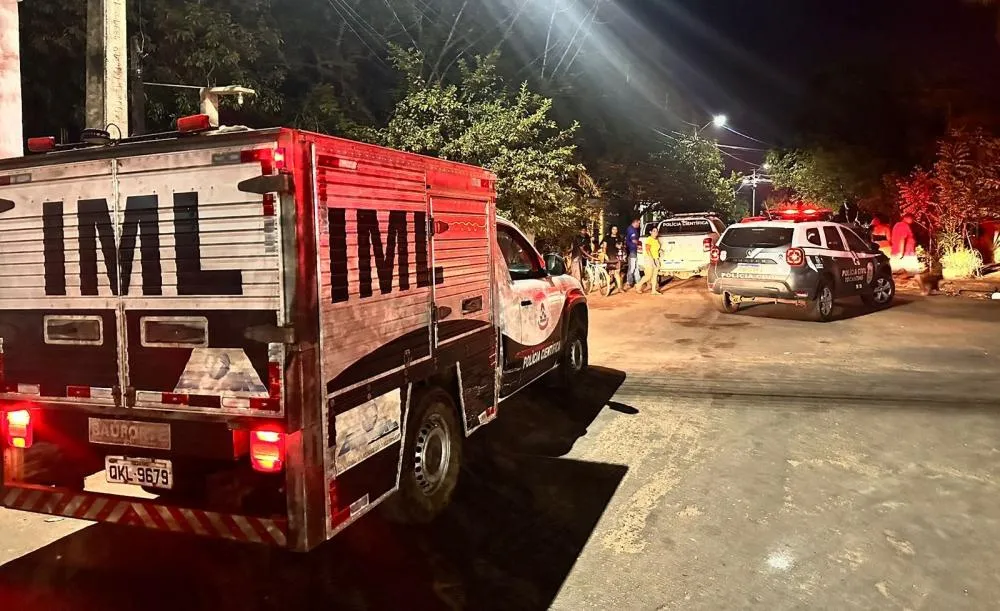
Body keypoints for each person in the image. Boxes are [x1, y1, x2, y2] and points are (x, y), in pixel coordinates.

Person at [635, 226, 662, 295]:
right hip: (649, 258)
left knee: (655, 275)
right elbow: (647, 249)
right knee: (648, 275)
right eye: (654, 231)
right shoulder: (649, 239)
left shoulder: (656, 240)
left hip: (656, 258)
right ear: (650, 232)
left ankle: (653, 290)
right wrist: (651, 259)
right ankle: (638, 285)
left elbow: (656, 249)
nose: (656, 233)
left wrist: (660, 251)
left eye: (656, 231)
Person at [599, 225, 625, 294]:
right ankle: (609, 285)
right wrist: (605, 254)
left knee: (617, 272)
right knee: (610, 272)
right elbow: (604, 247)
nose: (615, 230)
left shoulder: (619, 237)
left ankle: (619, 288)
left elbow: (621, 246)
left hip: (617, 256)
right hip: (609, 256)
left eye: (616, 229)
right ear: (611, 230)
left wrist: (620, 246)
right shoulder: (607, 237)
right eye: (613, 229)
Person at [625, 218, 642, 289]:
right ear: (635, 222)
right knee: (632, 267)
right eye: (639, 223)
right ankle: (629, 282)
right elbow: (634, 240)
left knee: (636, 267)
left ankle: (638, 281)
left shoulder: (632, 229)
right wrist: (640, 243)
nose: (639, 225)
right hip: (632, 250)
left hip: (634, 250)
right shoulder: (632, 230)